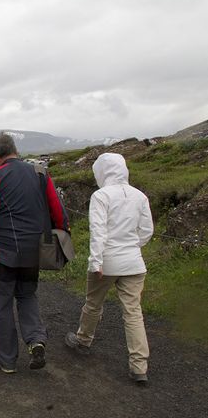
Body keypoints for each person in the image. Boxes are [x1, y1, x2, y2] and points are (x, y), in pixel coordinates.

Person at [0, 132, 69, 374]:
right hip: (34, 249)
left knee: (3, 302)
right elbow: (57, 209)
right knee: (27, 295)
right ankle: (36, 340)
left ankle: (6, 360)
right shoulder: (39, 173)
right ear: (15, 149)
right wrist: (61, 232)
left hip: (4, 251)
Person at [64, 153, 154, 385]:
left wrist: (96, 262)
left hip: (107, 261)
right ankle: (139, 366)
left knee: (94, 303)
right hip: (134, 262)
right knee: (133, 312)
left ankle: (83, 340)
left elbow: (98, 231)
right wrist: (133, 247)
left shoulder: (101, 195)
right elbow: (147, 230)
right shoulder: (140, 196)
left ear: (102, 172)